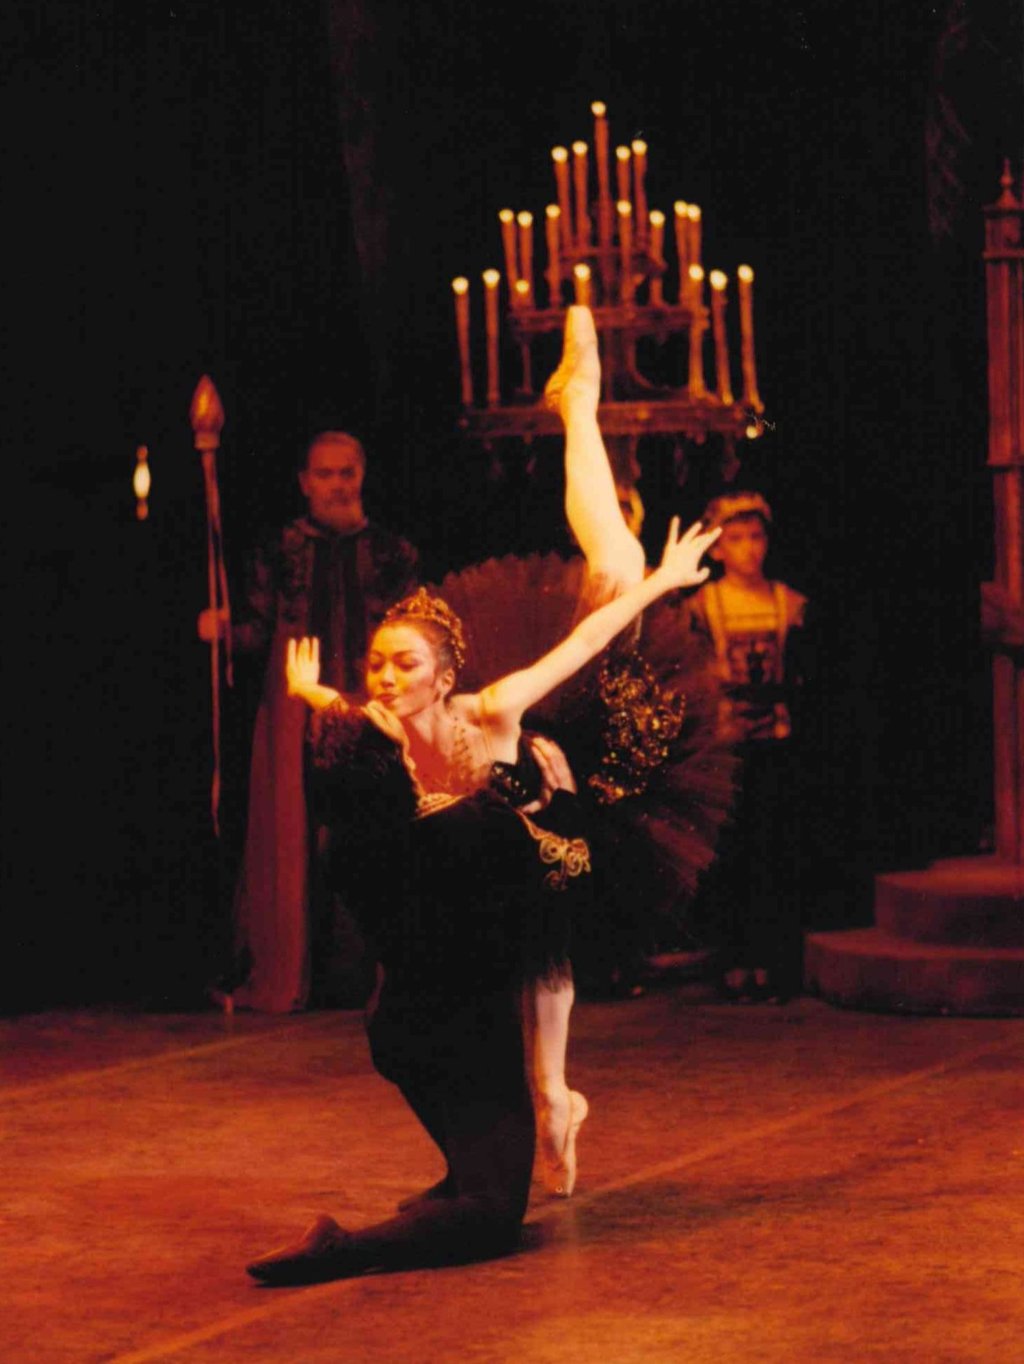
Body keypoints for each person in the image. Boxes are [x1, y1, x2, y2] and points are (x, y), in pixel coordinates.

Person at [245, 308, 722, 1285]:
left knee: (617, 568)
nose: (380, 677)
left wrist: (663, 584)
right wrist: (307, 693)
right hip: (484, 877)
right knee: (515, 959)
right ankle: (545, 1098)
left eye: (400, 662)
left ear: (440, 672)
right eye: (374, 664)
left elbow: (582, 647)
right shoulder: (377, 725)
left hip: (558, 792)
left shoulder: (491, 703)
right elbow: (347, 707)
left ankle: (577, 401)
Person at [198, 430, 419, 1013]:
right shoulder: (279, 548)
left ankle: (375, 974)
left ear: (363, 474)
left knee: (372, 831)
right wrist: (222, 630)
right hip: (292, 705)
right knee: (294, 833)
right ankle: (295, 971)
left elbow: (419, 629)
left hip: (371, 700)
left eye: (347, 472)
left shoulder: (394, 552)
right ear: (304, 483)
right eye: (325, 474)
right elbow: (257, 628)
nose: (338, 484)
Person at [679, 491, 809, 1002]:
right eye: (736, 539)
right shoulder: (701, 607)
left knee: (773, 851)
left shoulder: (789, 603)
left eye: (756, 537)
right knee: (731, 854)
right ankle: (734, 959)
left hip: (776, 744)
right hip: (726, 747)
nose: (749, 549)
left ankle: (775, 962)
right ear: (717, 548)